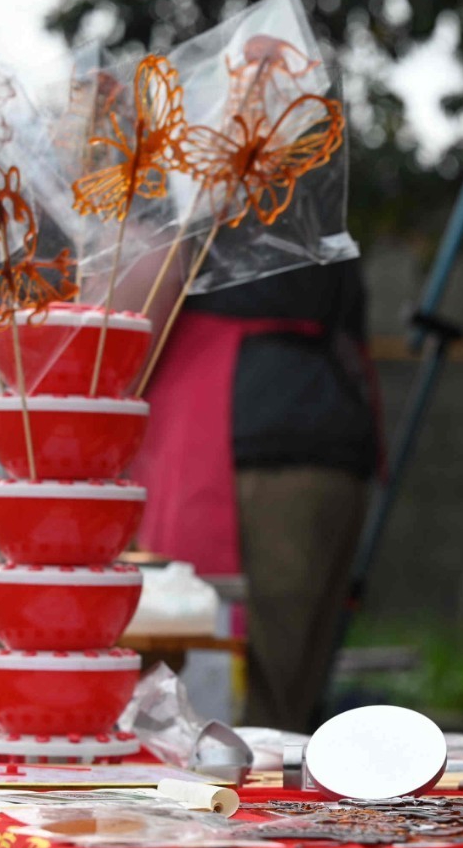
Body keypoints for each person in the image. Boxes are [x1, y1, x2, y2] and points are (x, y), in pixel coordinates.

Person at [132, 255, 379, 732]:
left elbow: (134, 299)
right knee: (284, 701)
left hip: (242, 433)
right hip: (326, 425)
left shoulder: (194, 208)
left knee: (227, 707)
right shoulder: (310, 214)